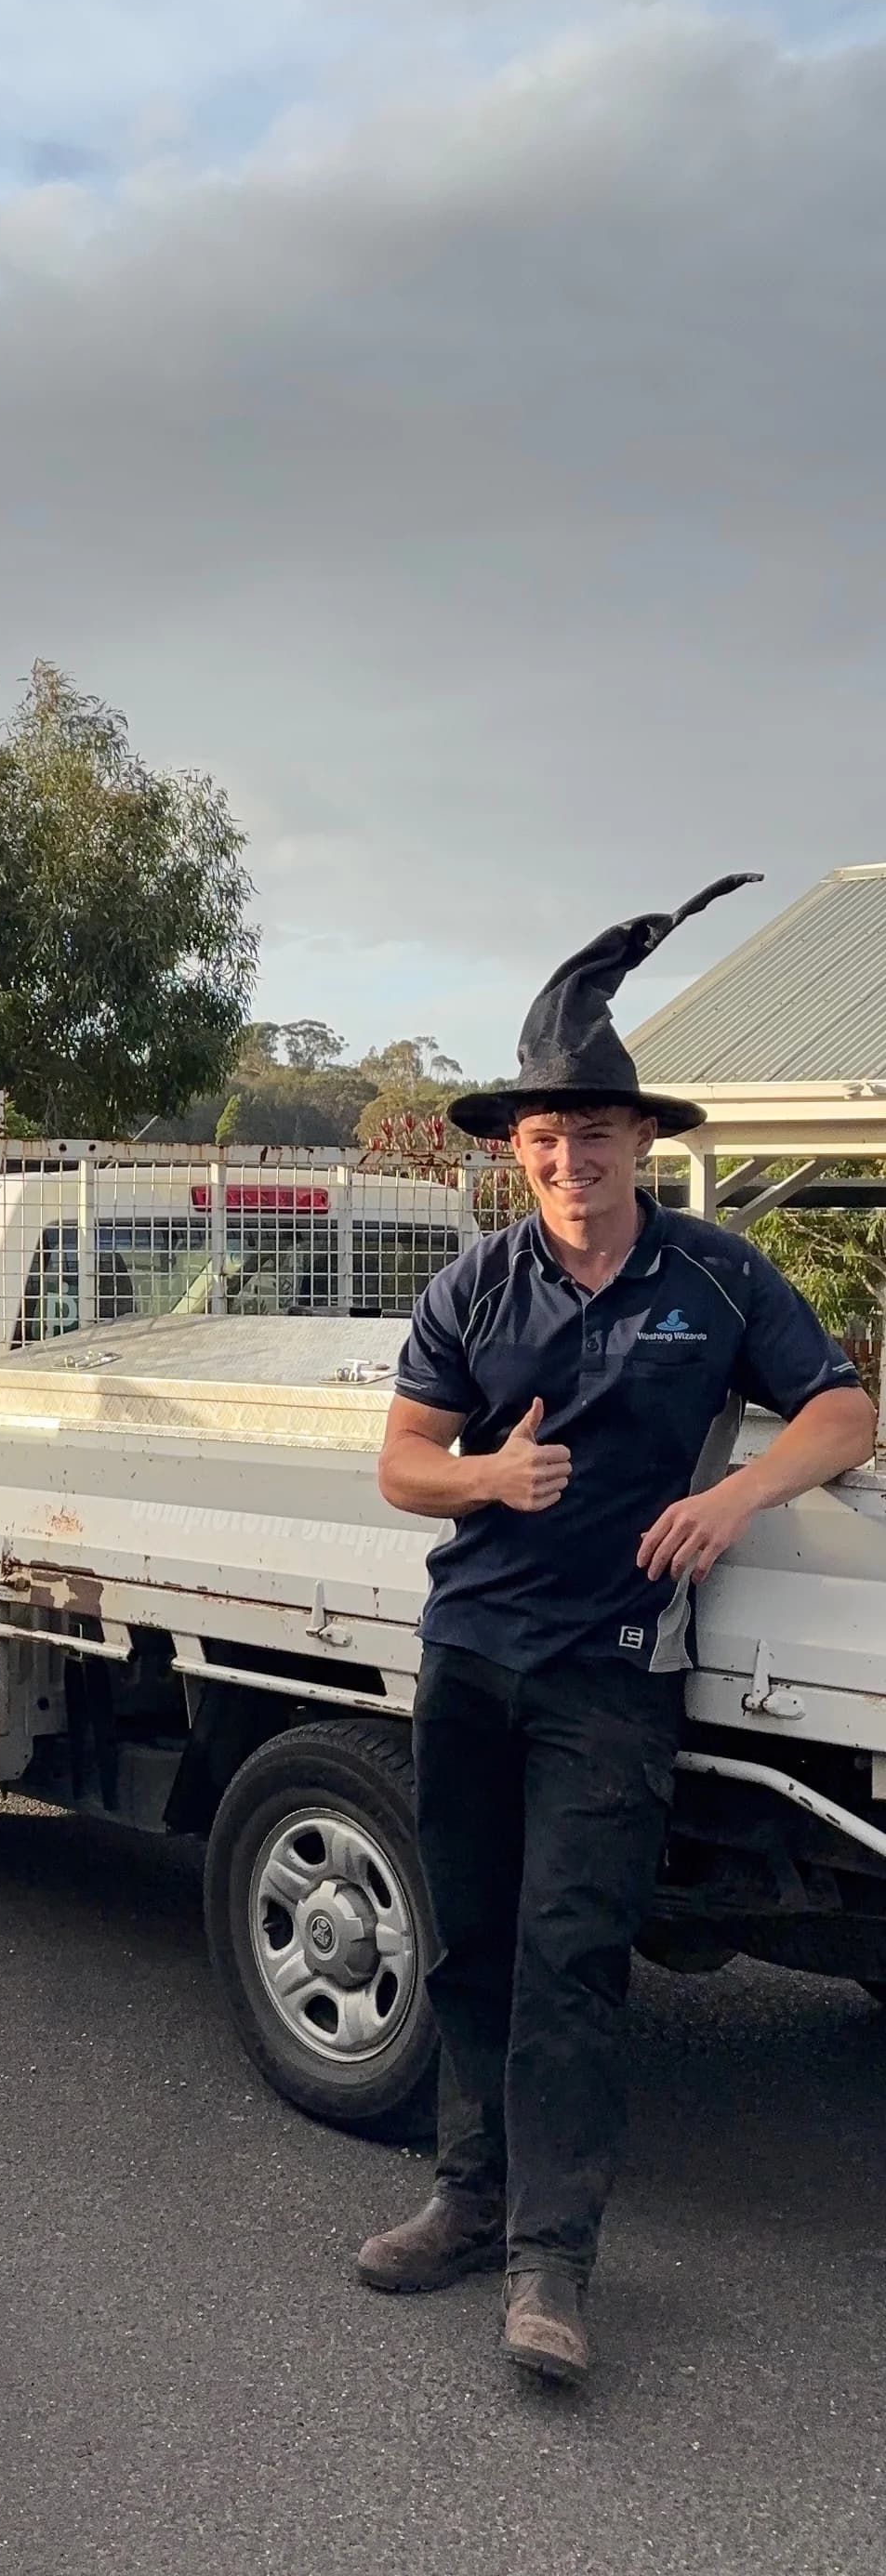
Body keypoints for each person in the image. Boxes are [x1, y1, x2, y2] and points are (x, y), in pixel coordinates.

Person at [360, 879, 876, 2387]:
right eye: (540, 1138)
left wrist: (737, 1493)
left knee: (569, 1955)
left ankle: (548, 2262)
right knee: (464, 1944)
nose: (566, 1159)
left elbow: (842, 1406)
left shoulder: (712, 1277)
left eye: (591, 1132)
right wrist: (486, 1476)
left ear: (639, 1138)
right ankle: (463, 2198)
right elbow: (400, 1464)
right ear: (513, 1152)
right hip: (468, 1654)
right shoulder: (473, 1281)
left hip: (609, 1672)